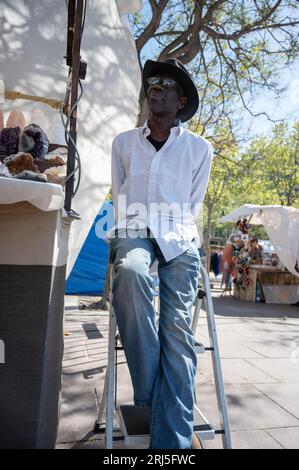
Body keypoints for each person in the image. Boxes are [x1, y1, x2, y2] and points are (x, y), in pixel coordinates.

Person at [107, 58, 213, 449]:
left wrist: (178, 238)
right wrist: (123, 238)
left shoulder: (200, 149)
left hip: (179, 237)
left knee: (177, 333)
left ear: (180, 99)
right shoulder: (122, 142)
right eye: (153, 81)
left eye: (166, 83)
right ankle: (154, 398)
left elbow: (193, 202)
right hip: (132, 228)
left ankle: (172, 447)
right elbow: (119, 194)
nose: (156, 86)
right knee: (132, 273)